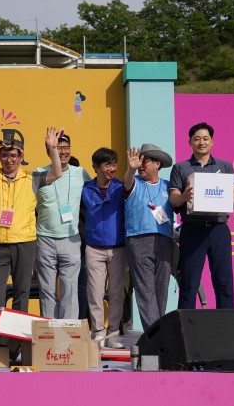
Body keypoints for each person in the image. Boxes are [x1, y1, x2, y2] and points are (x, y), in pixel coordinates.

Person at [0, 111, 62, 323]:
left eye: (13, 156)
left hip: (24, 243)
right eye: (5, 155)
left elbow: (56, 173)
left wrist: (53, 149)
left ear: (21, 157)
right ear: (0, 157)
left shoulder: (31, 179)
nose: (9, 160)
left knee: (21, 291)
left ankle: (16, 337)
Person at [169, 122, 234, 309]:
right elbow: (174, 200)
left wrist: (230, 192)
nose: (201, 142)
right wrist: (184, 196)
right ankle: (186, 325)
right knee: (189, 283)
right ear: (190, 142)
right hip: (192, 230)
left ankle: (226, 323)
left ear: (212, 141)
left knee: (224, 282)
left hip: (218, 229)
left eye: (205, 138)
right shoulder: (180, 168)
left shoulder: (225, 167)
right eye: (197, 139)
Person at [34, 133, 90, 319]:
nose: (63, 152)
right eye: (58, 148)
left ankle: (69, 330)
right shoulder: (39, 173)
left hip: (71, 238)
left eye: (66, 148)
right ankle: (48, 329)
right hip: (44, 238)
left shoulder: (81, 173)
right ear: (49, 151)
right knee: (47, 289)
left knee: (70, 288)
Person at [123, 144, 175, 332]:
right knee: (145, 290)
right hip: (139, 239)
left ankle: (158, 333)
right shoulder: (134, 182)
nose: (141, 165)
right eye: (139, 161)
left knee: (161, 289)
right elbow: (127, 182)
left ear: (157, 163)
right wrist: (131, 169)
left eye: (144, 162)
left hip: (164, 240)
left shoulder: (168, 186)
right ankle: (155, 335)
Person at [82, 148, 127, 348]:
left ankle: (113, 333)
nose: (112, 169)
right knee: (95, 292)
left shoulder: (120, 187)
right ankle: (98, 332)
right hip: (94, 248)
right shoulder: (85, 189)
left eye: (114, 164)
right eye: (107, 165)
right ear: (95, 167)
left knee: (116, 293)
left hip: (118, 248)